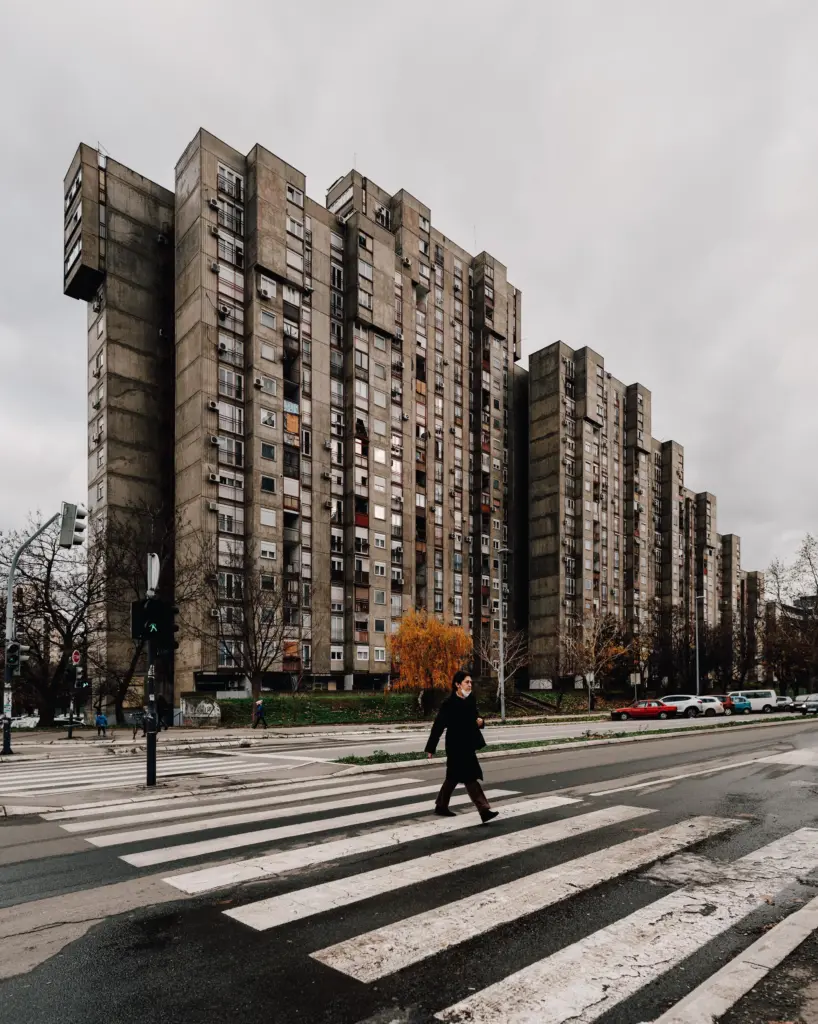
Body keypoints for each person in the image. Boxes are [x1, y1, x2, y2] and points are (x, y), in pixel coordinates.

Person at [425, 670, 499, 823]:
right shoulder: (449, 704)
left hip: (467, 745)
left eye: (471, 682)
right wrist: (431, 748)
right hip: (455, 746)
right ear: (457, 685)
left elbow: (476, 718)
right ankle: (484, 810)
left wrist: (481, 722)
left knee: (453, 777)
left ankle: (441, 806)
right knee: (470, 777)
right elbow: (438, 726)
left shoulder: (470, 700)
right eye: (467, 682)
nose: (470, 685)